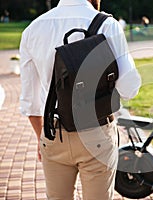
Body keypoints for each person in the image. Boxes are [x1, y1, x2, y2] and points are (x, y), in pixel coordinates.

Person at [19, 0, 141, 199]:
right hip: (97, 131)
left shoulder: (33, 29)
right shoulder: (107, 25)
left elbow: (29, 102)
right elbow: (129, 89)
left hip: (53, 134)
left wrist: (42, 138)